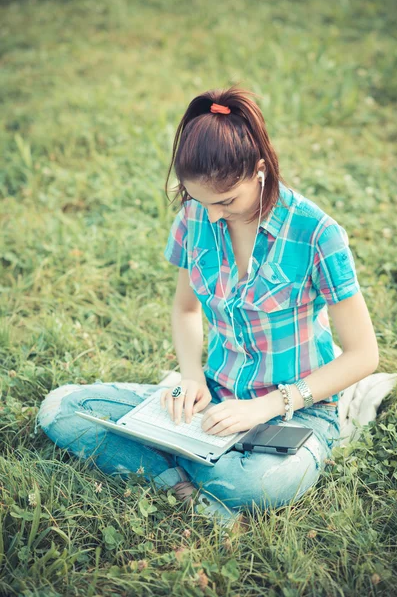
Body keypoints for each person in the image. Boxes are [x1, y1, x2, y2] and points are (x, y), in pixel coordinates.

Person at [35, 85, 379, 530]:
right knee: (62, 409)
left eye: (225, 201)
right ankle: (182, 482)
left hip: (298, 409)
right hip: (213, 398)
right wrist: (191, 377)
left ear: (259, 171)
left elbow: (364, 354)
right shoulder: (196, 216)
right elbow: (185, 310)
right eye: (199, 201)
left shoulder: (317, 234)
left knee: (262, 485)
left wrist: (265, 407)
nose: (212, 216)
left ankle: (178, 458)